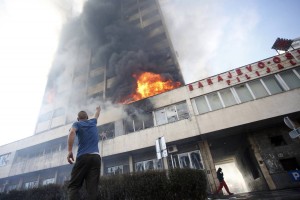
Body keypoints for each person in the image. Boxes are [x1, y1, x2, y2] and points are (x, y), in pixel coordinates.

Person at [67, 106, 101, 200]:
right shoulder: (93, 121)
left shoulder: (77, 124)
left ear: (78, 119)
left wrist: (70, 151)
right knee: (92, 189)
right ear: (87, 117)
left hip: (83, 157)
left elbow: (72, 133)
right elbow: (96, 114)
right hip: (96, 157)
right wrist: (98, 109)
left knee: (74, 186)